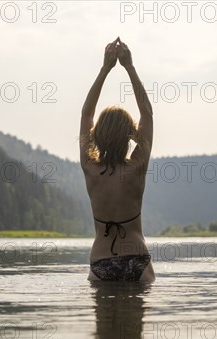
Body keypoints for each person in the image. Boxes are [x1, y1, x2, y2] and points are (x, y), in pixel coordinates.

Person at [79, 37, 155, 282]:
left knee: (103, 319)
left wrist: (105, 69)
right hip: (137, 259)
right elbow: (147, 114)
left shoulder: (90, 169)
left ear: (97, 136)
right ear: (129, 135)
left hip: (101, 261)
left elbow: (86, 114)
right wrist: (129, 67)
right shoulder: (136, 168)